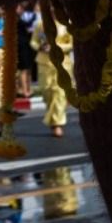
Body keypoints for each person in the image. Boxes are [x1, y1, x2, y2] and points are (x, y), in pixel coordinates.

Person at [30, 9, 74, 138]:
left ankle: (58, 124)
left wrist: (57, 47)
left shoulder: (67, 25)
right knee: (47, 92)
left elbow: (71, 44)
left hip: (62, 63)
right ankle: (53, 121)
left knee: (59, 92)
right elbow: (33, 41)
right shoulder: (40, 24)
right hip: (44, 63)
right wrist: (40, 47)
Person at [17, 4, 37, 99]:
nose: (21, 10)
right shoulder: (16, 19)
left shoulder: (21, 18)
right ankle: (24, 90)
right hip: (21, 46)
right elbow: (27, 24)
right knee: (24, 69)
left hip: (27, 45)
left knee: (29, 68)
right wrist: (34, 16)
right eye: (19, 8)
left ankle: (28, 89)